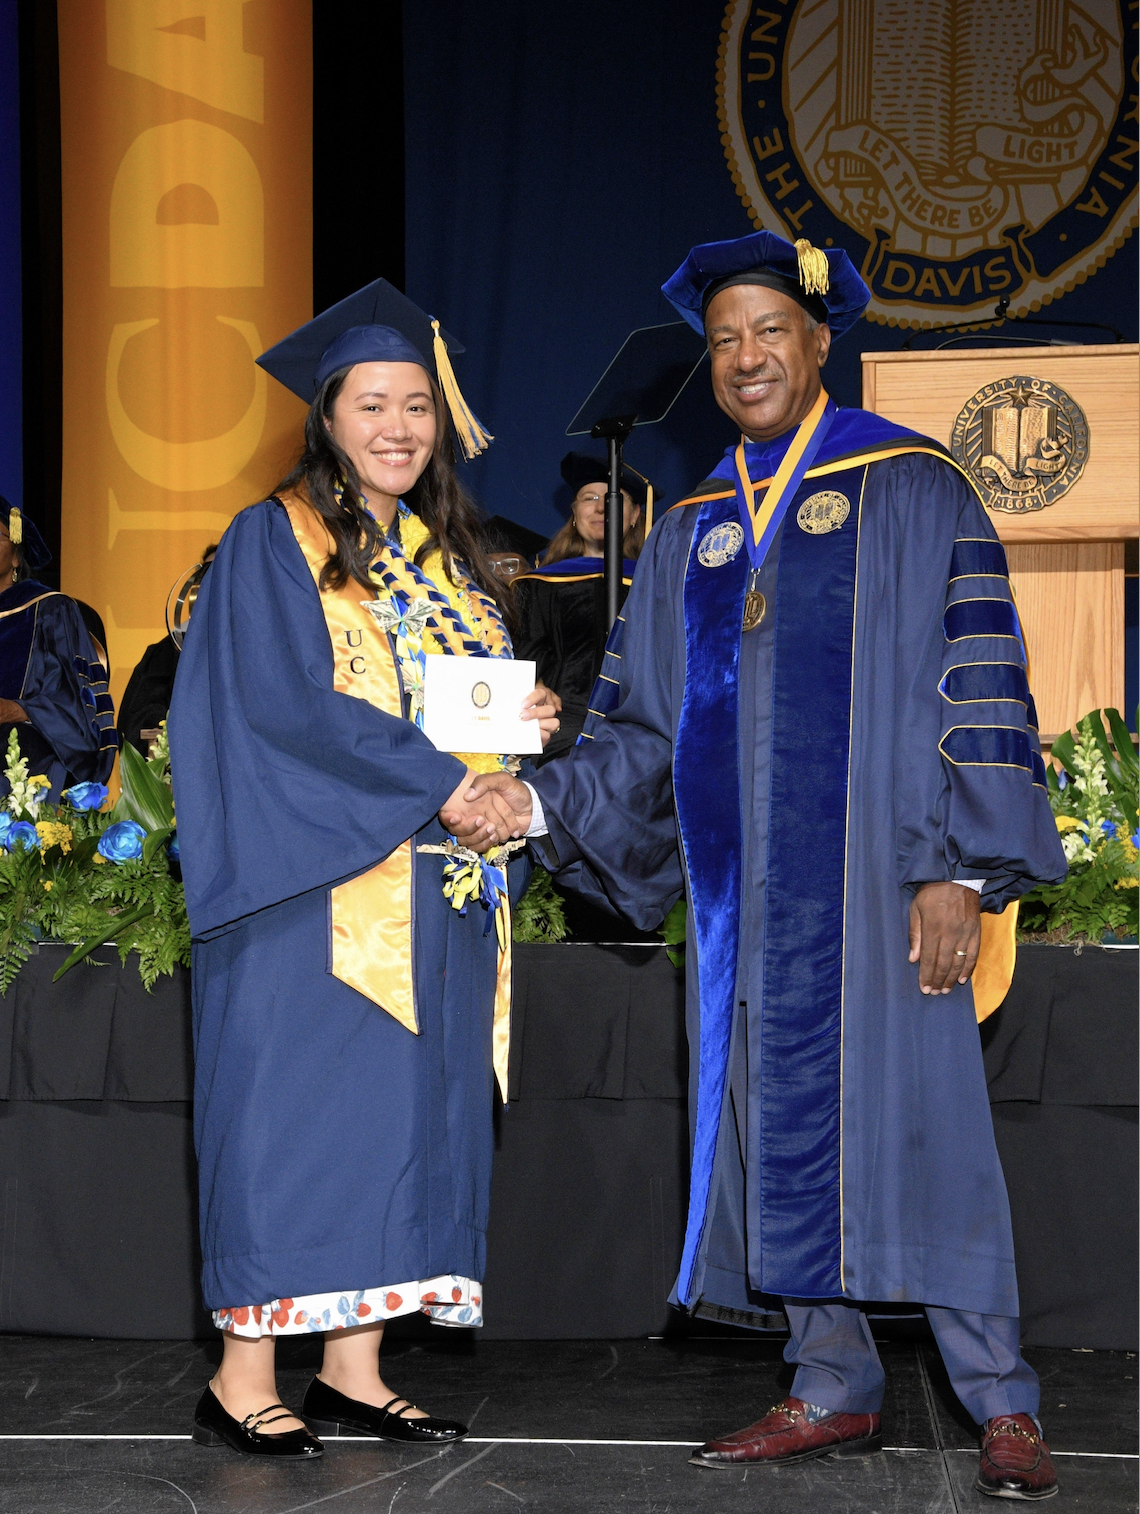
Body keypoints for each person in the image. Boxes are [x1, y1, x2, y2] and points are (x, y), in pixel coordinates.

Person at [447, 232, 1067, 1501]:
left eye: (767, 331)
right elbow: (641, 732)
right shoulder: (690, 533)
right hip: (748, 907)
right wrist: (536, 796)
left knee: (929, 1132)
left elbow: (980, 683)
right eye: (724, 338)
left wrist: (961, 865)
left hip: (891, 883)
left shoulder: (914, 487)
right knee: (776, 1132)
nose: (744, 357)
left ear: (819, 342)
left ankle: (1001, 1398)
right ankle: (830, 1378)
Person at [168, 278, 559, 1461]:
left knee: (405, 1126)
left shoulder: (448, 561)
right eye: (372, 404)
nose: (399, 427)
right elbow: (288, 706)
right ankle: (244, 1376)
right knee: (293, 1121)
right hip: (312, 890)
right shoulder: (271, 540)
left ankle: (354, 1364)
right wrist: (446, 779)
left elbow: (448, 705)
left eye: (418, 407)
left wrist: (517, 731)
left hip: (433, 888)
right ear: (327, 417)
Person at [511, 452, 651, 761]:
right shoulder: (540, 584)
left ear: (635, 515)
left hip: (640, 730)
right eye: (589, 498)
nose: (601, 507)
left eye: (614, 498)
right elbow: (524, 662)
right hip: (564, 729)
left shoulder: (656, 583)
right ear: (574, 513)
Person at [0, 497, 118, 801]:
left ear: (15, 556)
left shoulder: (49, 611)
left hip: (26, 766)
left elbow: (78, 706)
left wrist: (20, 710)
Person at [118, 544, 216, 755]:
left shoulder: (259, 652)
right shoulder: (166, 653)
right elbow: (140, 717)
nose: (210, 582)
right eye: (204, 574)